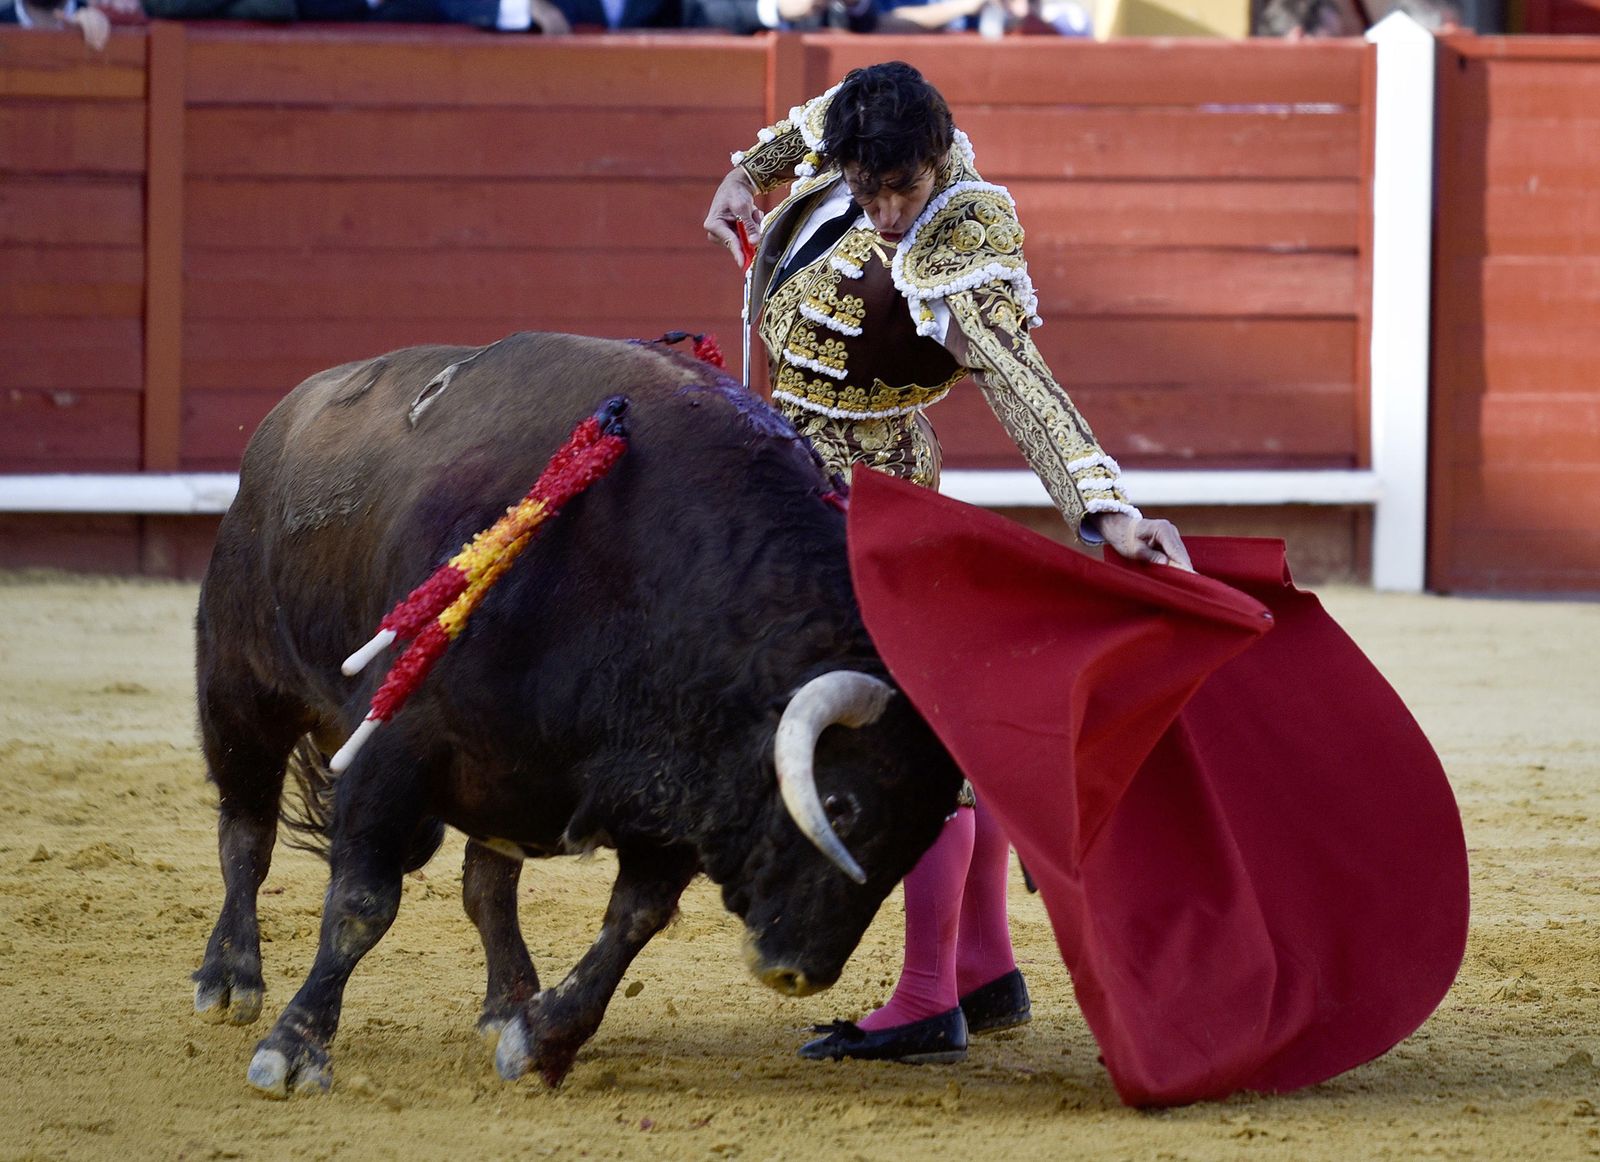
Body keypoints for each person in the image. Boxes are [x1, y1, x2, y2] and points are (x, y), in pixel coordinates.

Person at [702, 61, 1191, 1065]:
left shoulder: (956, 240)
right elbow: (804, 128)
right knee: (927, 713)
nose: (884, 214)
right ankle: (980, 962)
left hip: (870, 495)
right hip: (794, 474)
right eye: (866, 189)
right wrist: (744, 178)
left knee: (906, 728)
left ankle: (928, 993)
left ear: (934, 164)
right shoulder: (855, 149)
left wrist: (1103, 505)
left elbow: (1017, 377)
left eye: (901, 191)